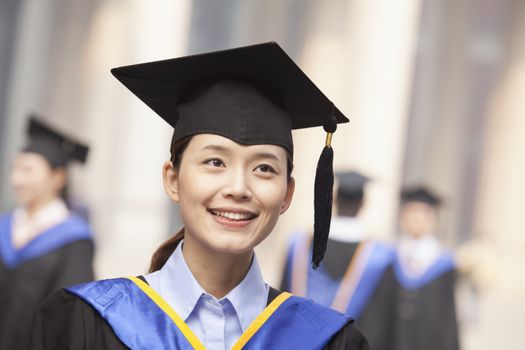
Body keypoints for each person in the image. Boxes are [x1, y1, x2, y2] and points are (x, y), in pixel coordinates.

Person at [28, 43, 370, 349]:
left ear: (287, 195)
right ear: (173, 179)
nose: (238, 188)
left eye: (264, 168)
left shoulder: (328, 341)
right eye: (215, 162)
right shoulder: (84, 323)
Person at [0, 116, 94, 350]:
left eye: (28, 170)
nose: (16, 179)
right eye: (15, 168)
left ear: (58, 178)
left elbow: (69, 317)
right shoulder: (5, 226)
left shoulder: (75, 240)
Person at [280, 170, 395, 348]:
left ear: (334, 200)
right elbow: (379, 321)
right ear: (363, 204)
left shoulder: (300, 243)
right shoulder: (380, 256)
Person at [389, 186, 459, 350]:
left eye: (421, 213)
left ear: (433, 219)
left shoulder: (444, 263)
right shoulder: (390, 256)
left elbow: (448, 318)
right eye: (410, 212)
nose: (415, 218)